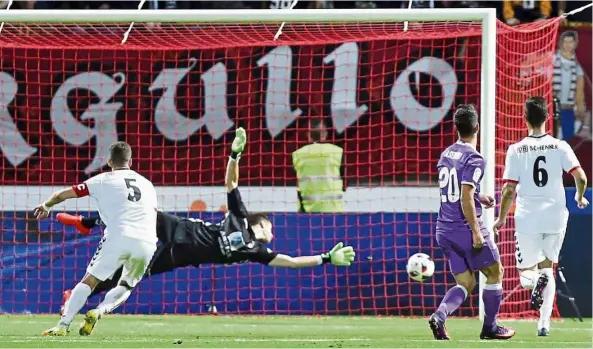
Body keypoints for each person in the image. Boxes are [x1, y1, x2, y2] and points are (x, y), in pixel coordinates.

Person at [57, 128, 355, 307]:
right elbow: (232, 183)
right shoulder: (239, 217)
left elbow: (290, 262)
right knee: (139, 211)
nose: (272, 233)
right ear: (257, 222)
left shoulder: (256, 251)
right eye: (269, 226)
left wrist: (325, 258)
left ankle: (77, 294)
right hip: (179, 228)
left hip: (178, 256)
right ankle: (88, 222)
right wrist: (233, 156)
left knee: (129, 278)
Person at [34, 141, 158, 336]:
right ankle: (99, 311)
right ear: (131, 161)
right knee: (126, 285)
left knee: (89, 281)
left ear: (109, 162)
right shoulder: (148, 184)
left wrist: (46, 205)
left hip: (118, 235)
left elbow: (62, 195)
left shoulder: (102, 180)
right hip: (148, 241)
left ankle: (62, 326)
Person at [493, 97, 589, 336]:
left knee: (527, 275)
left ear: (524, 118)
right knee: (548, 268)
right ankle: (544, 324)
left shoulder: (516, 149)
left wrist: (501, 219)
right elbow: (582, 177)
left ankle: (536, 284)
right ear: (547, 117)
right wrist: (579, 197)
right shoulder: (560, 146)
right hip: (556, 216)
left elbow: (508, 190)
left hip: (528, 218)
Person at [429, 104, 515, 340]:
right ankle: (490, 327)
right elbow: (465, 195)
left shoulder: (446, 153)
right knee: (496, 271)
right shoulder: (475, 158)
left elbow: (457, 189)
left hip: (444, 229)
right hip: (464, 228)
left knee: (466, 283)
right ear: (477, 127)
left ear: (456, 128)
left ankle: (440, 315)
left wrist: (479, 195)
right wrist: (476, 232)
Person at [292, 119, 345, 213]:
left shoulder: (297, 154)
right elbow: (344, 181)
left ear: (308, 135)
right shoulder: (337, 152)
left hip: (308, 211)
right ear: (325, 134)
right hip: (334, 210)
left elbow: (297, 184)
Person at [553, 31, 587, 140]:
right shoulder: (552, 59)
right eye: (565, 41)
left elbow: (580, 88)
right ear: (561, 42)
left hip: (568, 108)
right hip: (553, 107)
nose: (567, 45)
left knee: (568, 140)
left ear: (575, 43)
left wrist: (580, 104)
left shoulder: (577, 65)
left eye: (570, 42)